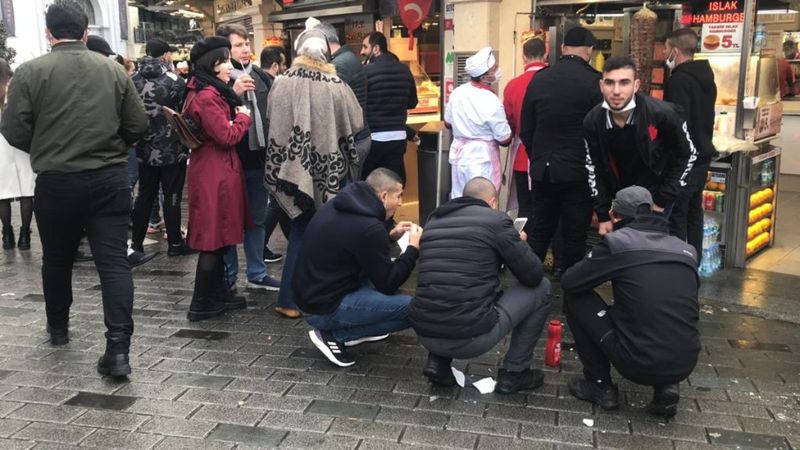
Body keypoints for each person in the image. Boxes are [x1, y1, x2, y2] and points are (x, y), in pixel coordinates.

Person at [0, 0, 148, 376]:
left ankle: (59, 328)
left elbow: (13, 128)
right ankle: (118, 349)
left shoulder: (29, 72)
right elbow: (137, 123)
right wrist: (113, 145)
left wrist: (46, 147)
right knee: (113, 263)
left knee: (57, 258)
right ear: (85, 32)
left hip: (56, 180)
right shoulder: (113, 70)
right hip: (108, 177)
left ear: (49, 33)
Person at [561, 186, 700, 418]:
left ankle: (600, 385)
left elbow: (571, 281)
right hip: (685, 361)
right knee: (666, 308)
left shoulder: (619, 243)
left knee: (575, 297)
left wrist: (600, 256)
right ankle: (667, 386)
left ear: (615, 217)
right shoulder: (686, 250)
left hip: (637, 362)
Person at [410, 177, 552, 394]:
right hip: (471, 338)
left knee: (447, 283)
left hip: (426, 334)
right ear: (492, 201)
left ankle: (438, 362)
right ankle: (515, 372)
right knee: (543, 288)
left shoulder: (434, 220)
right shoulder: (497, 220)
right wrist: (520, 245)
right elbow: (532, 276)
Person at [264, 27, 364, 319]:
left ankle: (292, 298)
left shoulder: (281, 82)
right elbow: (356, 121)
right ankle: (306, 295)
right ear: (325, 53)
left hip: (289, 173)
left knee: (300, 228)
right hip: (328, 172)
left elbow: (272, 119)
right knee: (324, 231)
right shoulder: (336, 85)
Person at [295, 168, 421, 367]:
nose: (400, 203)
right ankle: (336, 336)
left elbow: (358, 244)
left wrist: (389, 236)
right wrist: (413, 249)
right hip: (324, 307)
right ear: (383, 196)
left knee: (380, 279)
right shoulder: (369, 227)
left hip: (311, 295)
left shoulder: (341, 203)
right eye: (399, 196)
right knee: (417, 309)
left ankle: (353, 328)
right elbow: (389, 283)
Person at [519, 26, 603, 272]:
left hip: (543, 169)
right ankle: (572, 288)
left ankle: (528, 283)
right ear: (589, 51)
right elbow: (599, 132)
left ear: (563, 48)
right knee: (575, 234)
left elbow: (526, 128)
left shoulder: (540, 78)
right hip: (577, 170)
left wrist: (538, 155)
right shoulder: (594, 81)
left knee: (540, 230)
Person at [584, 56, 698, 236]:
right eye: (610, 83)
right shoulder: (593, 121)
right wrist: (602, 214)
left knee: (654, 247)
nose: (616, 91)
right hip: (620, 200)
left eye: (624, 83)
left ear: (636, 85)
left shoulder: (663, 114)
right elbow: (593, 167)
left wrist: (662, 199)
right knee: (622, 247)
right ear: (601, 85)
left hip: (655, 197)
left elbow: (688, 154)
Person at [183, 36, 253, 321]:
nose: (229, 67)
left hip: (215, 170)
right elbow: (226, 136)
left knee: (220, 236)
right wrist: (243, 117)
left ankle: (218, 293)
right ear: (212, 65)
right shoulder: (207, 96)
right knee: (212, 239)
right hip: (215, 173)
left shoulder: (205, 89)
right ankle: (201, 303)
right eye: (224, 61)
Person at [216, 24, 282, 293]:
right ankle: (228, 276)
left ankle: (257, 272)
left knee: (256, 218)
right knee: (229, 221)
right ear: (225, 49)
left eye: (246, 44)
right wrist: (234, 93)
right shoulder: (218, 78)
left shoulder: (259, 74)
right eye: (238, 45)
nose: (244, 49)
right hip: (230, 160)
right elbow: (211, 118)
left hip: (258, 159)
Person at [130, 39, 195, 257]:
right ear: (165, 55)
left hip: (143, 148)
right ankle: (175, 243)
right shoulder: (175, 81)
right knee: (172, 195)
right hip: (172, 149)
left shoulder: (132, 80)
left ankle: (136, 243)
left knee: (144, 195)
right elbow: (184, 113)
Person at [663, 28, 718, 262]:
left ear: (675, 51)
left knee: (677, 214)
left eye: (666, 49)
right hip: (703, 154)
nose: (664, 53)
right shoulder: (706, 78)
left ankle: (679, 265)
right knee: (694, 212)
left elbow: (677, 124)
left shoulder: (678, 81)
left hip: (685, 158)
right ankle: (694, 262)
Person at [445, 47, 512, 198]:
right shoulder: (491, 100)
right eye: (494, 69)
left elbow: (448, 123)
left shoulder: (457, 92)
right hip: (482, 160)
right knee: (484, 201)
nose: (497, 71)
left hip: (459, 158)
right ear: (484, 77)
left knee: (459, 199)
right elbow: (504, 138)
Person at [315, 20, 371, 181]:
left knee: (347, 189)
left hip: (352, 140)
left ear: (323, 42)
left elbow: (326, 104)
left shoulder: (339, 65)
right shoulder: (347, 58)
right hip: (358, 136)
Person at [503, 37, 547, 235]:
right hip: (551, 157)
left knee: (525, 207)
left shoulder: (513, 85)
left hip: (523, 155)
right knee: (548, 207)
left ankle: (523, 245)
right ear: (545, 54)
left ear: (524, 56)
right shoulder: (553, 80)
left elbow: (509, 123)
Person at [360, 32, 418, 182]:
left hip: (373, 137)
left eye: (365, 47)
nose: (362, 51)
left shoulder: (366, 72)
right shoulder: (405, 70)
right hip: (398, 137)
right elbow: (412, 103)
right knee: (394, 180)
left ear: (376, 49)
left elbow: (360, 104)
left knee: (371, 183)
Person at [0, 58, 35, 251]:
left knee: (2, 193)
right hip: (20, 141)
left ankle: (7, 234)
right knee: (26, 191)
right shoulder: (16, 89)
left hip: (1, 146)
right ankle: (25, 236)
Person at [259, 45, 289, 264]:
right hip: (274, 151)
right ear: (275, 65)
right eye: (284, 64)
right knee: (278, 200)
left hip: (269, 151)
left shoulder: (261, 82)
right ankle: (261, 245)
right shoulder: (271, 85)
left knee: (280, 199)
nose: (285, 68)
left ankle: (294, 238)